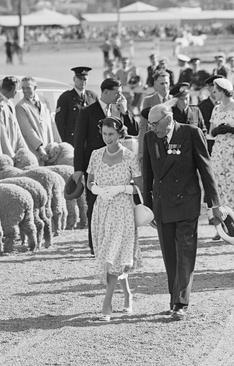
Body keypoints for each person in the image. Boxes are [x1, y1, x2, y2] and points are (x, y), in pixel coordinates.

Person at [141, 104, 222, 320]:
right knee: (170, 255)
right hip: (162, 205)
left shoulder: (190, 133)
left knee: (185, 253)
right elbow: (147, 174)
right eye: (150, 123)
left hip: (186, 202)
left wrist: (214, 202)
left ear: (168, 119)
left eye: (156, 123)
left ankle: (181, 302)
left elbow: (206, 169)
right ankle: (174, 297)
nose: (152, 127)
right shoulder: (150, 138)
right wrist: (148, 208)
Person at [86, 117, 143, 321]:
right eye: (104, 134)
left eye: (111, 134)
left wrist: (121, 188)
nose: (107, 138)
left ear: (120, 133)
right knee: (112, 255)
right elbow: (89, 182)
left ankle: (107, 304)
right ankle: (127, 293)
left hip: (122, 210)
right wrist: (98, 189)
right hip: (102, 209)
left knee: (111, 255)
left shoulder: (129, 156)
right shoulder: (95, 154)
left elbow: (139, 186)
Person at [73, 78, 138, 255]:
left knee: (119, 203)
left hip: (120, 164)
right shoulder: (87, 112)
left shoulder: (119, 109)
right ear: (106, 92)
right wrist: (78, 168)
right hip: (96, 164)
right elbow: (79, 141)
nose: (120, 96)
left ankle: (116, 243)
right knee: (94, 204)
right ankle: (95, 245)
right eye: (117, 92)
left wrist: (125, 112)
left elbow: (135, 129)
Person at [15, 76, 58, 162]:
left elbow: (51, 123)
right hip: (35, 151)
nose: (25, 91)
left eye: (28, 88)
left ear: (35, 88)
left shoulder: (44, 101)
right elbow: (27, 130)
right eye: (23, 88)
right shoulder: (20, 106)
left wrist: (57, 142)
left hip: (50, 149)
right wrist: (39, 148)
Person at [209, 78, 234, 213]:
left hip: (232, 152)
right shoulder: (216, 108)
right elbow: (211, 131)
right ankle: (226, 226)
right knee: (219, 186)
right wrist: (217, 130)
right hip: (218, 152)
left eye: (216, 90)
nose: (214, 92)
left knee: (232, 185)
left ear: (223, 91)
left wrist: (230, 129)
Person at [55, 66, 98, 145]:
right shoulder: (65, 97)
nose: (82, 82)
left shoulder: (92, 96)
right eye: (80, 79)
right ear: (74, 79)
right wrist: (66, 142)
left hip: (90, 141)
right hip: (73, 141)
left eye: (85, 79)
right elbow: (60, 122)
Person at [0, 76, 28, 156]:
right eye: (16, 89)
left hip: (13, 149)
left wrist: (26, 151)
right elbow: (2, 133)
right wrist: (10, 154)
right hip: (5, 152)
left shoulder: (10, 104)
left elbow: (17, 129)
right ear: (12, 88)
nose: (16, 92)